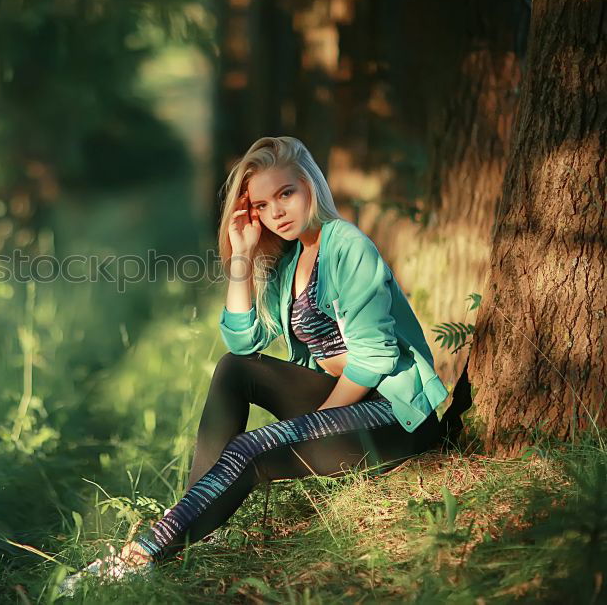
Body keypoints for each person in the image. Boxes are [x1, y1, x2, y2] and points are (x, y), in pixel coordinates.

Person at [57, 136, 470, 596]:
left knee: (251, 450)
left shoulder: (347, 245)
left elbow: (375, 357)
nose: (276, 211)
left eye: (285, 194)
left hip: (393, 415)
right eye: (262, 203)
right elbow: (243, 339)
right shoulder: (289, 260)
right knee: (235, 368)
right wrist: (241, 256)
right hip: (342, 406)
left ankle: (140, 556)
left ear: (310, 185)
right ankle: (198, 520)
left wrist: (312, 425)